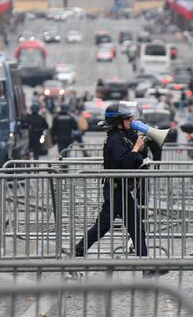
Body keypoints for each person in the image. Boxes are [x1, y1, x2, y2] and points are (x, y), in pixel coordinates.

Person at [72, 102, 165, 276]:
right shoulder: (115, 139)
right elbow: (125, 162)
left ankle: (146, 265)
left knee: (130, 225)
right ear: (119, 121)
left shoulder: (123, 136)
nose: (131, 121)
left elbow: (136, 159)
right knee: (110, 226)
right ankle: (77, 251)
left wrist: (141, 148)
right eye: (128, 119)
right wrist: (136, 148)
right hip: (116, 189)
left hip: (120, 189)